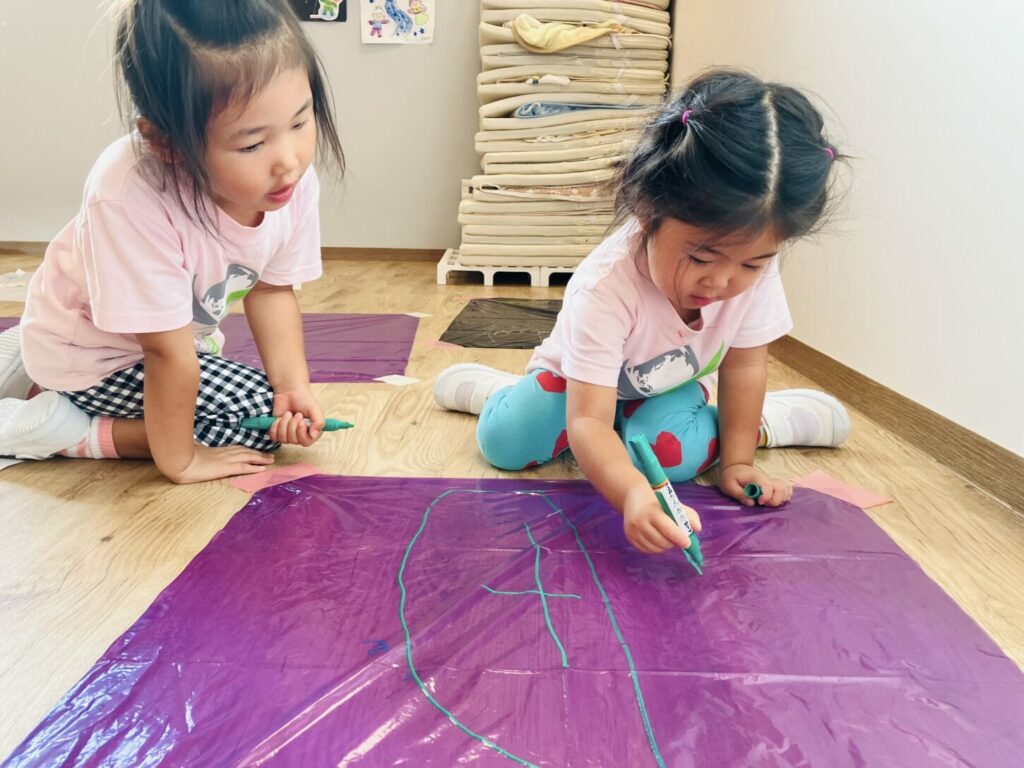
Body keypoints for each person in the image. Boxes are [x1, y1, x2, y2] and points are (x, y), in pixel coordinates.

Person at [434, 69, 850, 554]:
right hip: (575, 389)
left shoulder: (752, 268)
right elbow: (588, 422)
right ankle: (501, 394)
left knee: (675, 459)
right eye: (701, 258)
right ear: (648, 210)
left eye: (752, 264)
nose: (721, 283)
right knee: (506, 443)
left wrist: (738, 462)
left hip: (663, 391)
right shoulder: (605, 286)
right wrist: (632, 493)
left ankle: (760, 424)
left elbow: (744, 365)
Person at [0, 0, 345, 484]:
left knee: (274, 408)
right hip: (94, 359)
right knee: (252, 418)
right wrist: (180, 459)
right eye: (251, 144)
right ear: (166, 143)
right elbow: (167, 355)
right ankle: (58, 426)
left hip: (168, 342)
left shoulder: (289, 182)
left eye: (300, 122)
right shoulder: (128, 194)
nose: (289, 160)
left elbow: (271, 290)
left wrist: (292, 387)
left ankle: (30, 362)